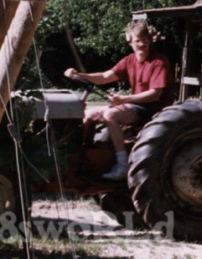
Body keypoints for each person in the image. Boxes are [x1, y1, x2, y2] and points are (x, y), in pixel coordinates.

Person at [64, 20, 174, 180]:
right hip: (134, 105)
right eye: (138, 40)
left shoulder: (159, 62)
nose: (142, 44)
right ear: (130, 42)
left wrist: (123, 99)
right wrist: (79, 75)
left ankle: (122, 165)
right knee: (87, 113)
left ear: (150, 40)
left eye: (145, 39)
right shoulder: (129, 60)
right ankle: (82, 158)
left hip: (152, 109)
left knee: (111, 115)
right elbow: (104, 77)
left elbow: (155, 95)